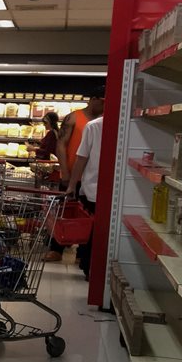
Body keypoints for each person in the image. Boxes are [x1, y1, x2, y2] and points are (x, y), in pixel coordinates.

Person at [47, 89, 105, 261]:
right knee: (64, 214)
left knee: (87, 217)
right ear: (93, 99)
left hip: (90, 178)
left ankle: (83, 252)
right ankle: (56, 249)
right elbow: (61, 145)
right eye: (102, 101)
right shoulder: (74, 117)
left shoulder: (103, 122)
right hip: (72, 174)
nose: (104, 105)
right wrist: (65, 172)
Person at [64, 110, 105, 281]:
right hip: (107, 190)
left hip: (92, 188)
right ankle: (93, 268)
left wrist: (72, 185)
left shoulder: (94, 126)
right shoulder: (127, 126)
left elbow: (81, 158)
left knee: (90, 231)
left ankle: (87, 266)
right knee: (101, 234)